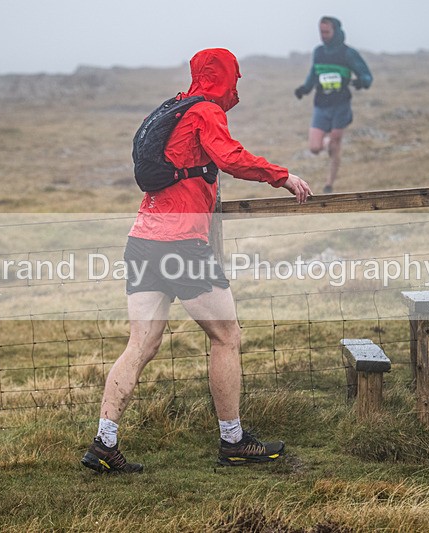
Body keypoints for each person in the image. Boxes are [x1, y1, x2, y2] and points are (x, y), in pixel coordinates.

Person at [81, 48, 313, 474]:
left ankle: (104, 444)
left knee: (141, 344)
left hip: (142, 239)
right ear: (224, 77)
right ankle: (233, 441)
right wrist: (282, 176)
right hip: (181, 245)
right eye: (235, 77)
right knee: (227, 337)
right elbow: (230, 158)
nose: (237, 86)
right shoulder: (205, 111)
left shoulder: (175, 108)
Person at [294, 16, 373, 194]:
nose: (323, 36)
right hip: (321, 104)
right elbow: (313, 74)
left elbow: (366, 75)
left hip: (340, 104)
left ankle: (329, 184)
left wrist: (362, 82)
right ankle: (327, 141)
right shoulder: (319, 52)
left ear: (335, 31)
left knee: (336, 142)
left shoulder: (348, 53)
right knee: (315, 148)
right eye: (321, 32)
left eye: (327, 32)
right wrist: (304, 89)